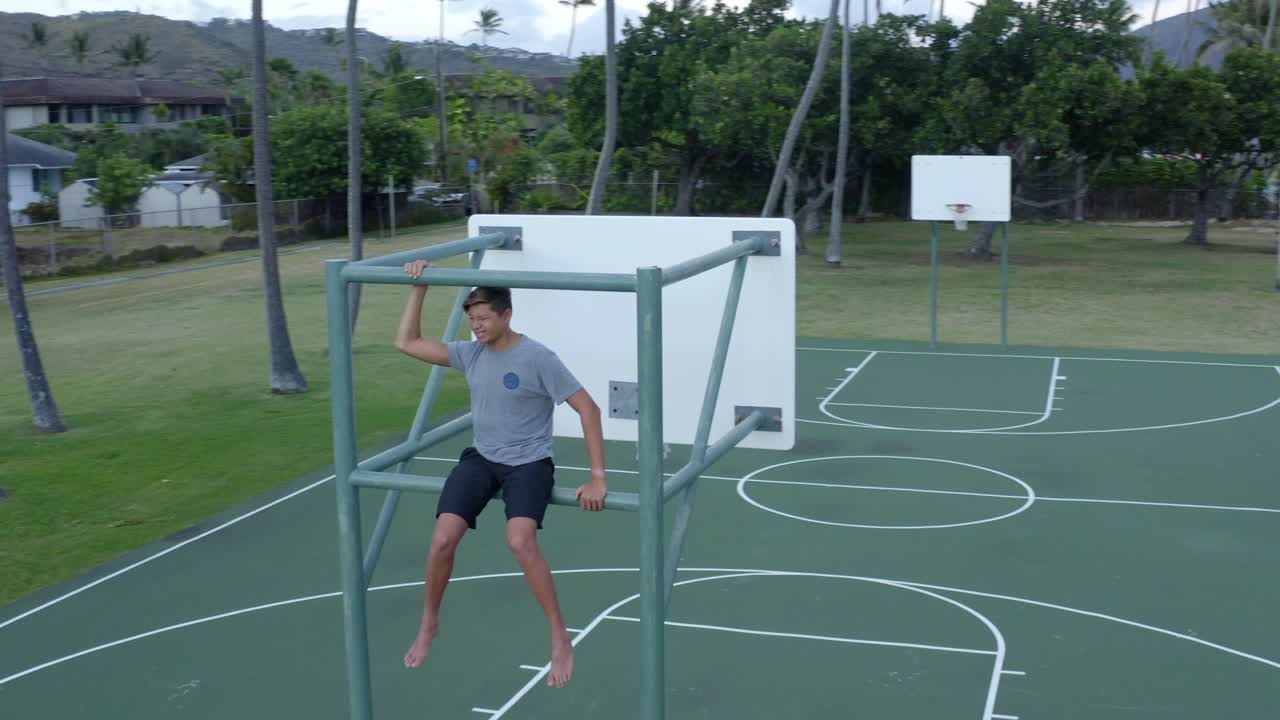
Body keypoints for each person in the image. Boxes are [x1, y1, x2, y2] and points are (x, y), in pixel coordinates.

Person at [393, 259, 608, 689]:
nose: (477, 327)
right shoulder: (471, 353)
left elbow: (588, 408)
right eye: (471, 319)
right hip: (482, 459)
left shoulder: (538, 358)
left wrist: (597, 476)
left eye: (484, 319)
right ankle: (430, 620)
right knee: (441, 540)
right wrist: (421, 287)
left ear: (507, 315)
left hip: (529, 463)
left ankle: (559, 635)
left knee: (519, 540)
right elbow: (407, 342)